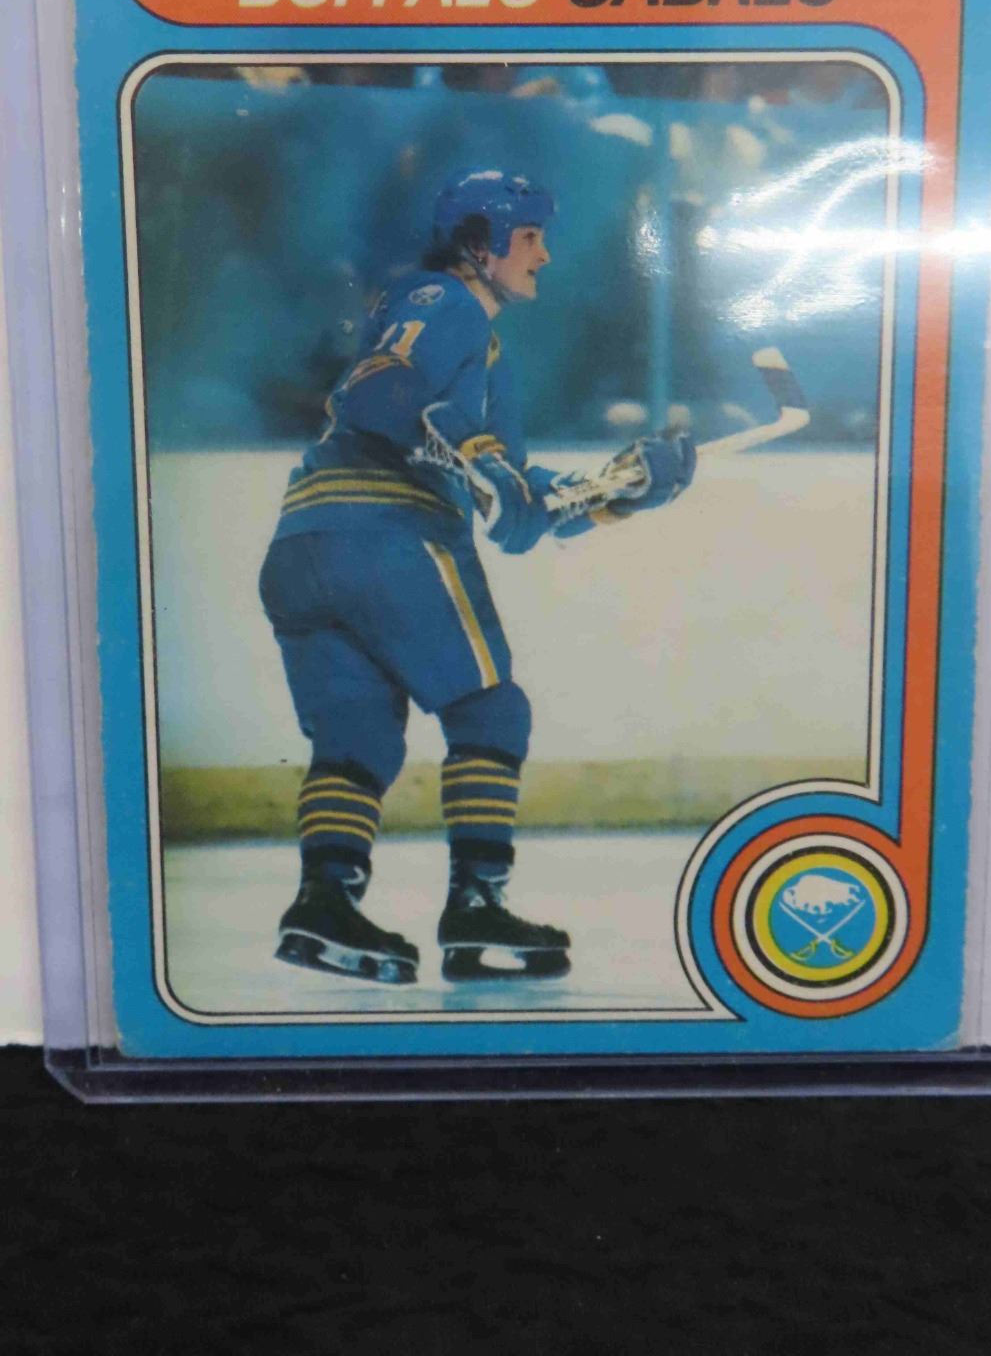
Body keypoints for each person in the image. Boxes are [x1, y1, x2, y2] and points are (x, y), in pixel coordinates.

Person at [258, 168, 697, 985]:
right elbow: (380, 394)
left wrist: (618, 492)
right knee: (489, 710)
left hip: (303, 547)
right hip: (387, 537)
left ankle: (323, 904)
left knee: (356, 741)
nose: (544, 255)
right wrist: (473, 451)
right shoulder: (442, 302)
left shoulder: (479, 348)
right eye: (528, 237)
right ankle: (475, 910)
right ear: (477, 242)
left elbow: (515, 513)